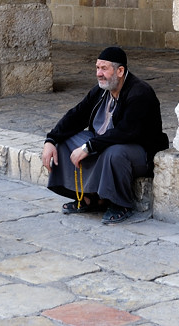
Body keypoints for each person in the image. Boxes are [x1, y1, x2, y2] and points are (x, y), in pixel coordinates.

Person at [41, 46, 169, 225]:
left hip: (138, 152)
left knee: (114, 153)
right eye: (97, 68)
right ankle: (89, 198)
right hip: (104, 142)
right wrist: (51, 139)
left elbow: (125, 132)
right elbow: (77, 115)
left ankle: (120, 204)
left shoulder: (140, 93)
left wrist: (89, 147)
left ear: (120, 71)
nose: (99, 74)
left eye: (104, 68)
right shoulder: (101, 90)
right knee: (64, 142)